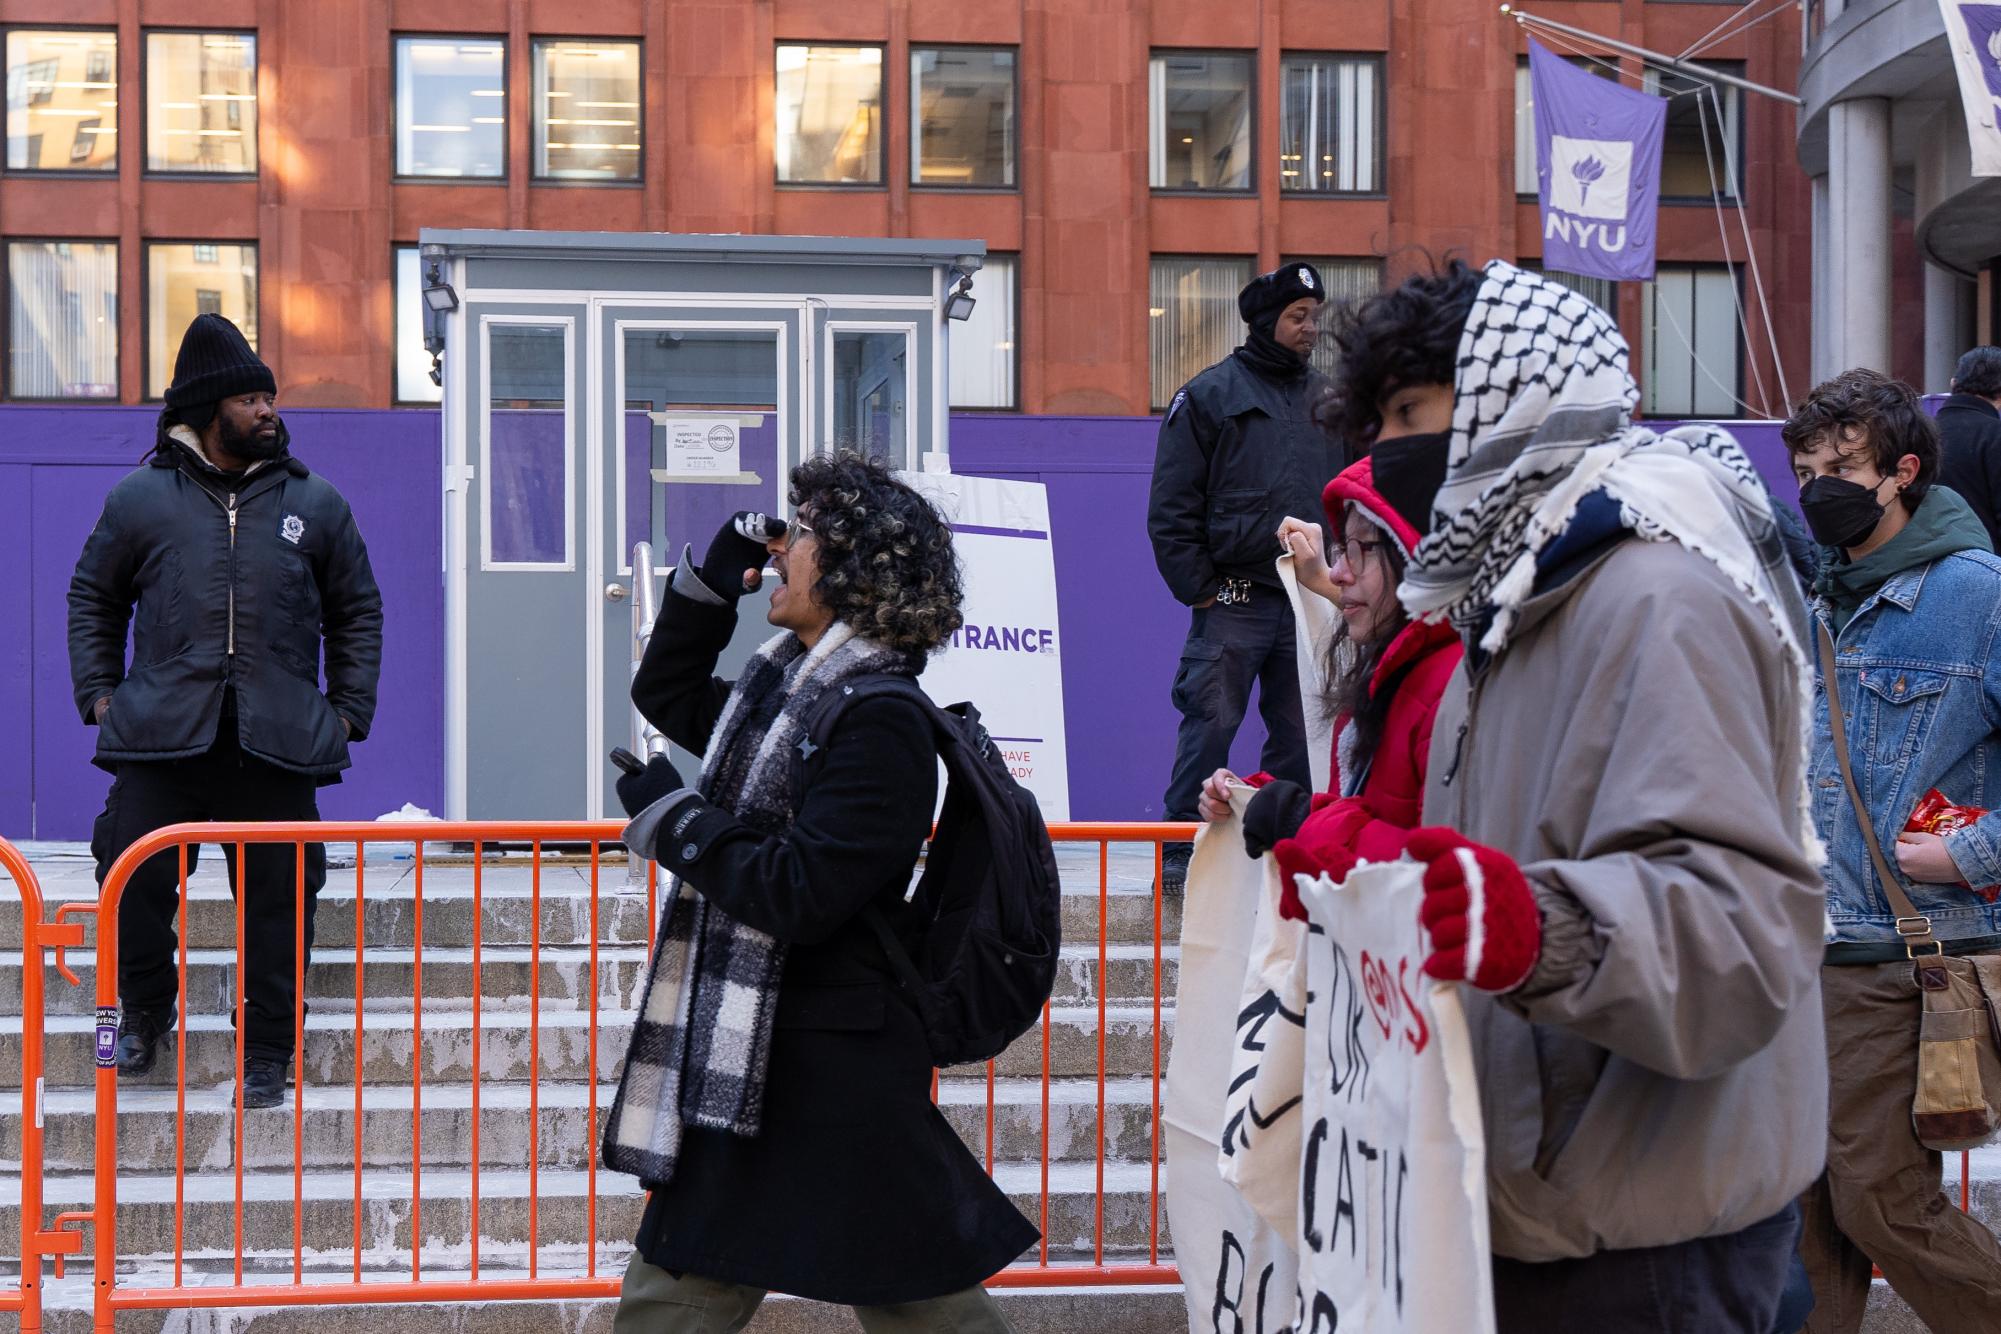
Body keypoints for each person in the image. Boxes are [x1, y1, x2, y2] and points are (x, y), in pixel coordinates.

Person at [1285, 259, 1828, 1332]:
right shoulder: (1515, 610)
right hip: (1547, 1212)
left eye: (1408, 413)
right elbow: (1491, 863)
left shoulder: (1655, 598)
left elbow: (1739, 927)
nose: (1390, 454)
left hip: (1648, 1245)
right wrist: (1380, 878)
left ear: (1508, 389)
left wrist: (1538, 930)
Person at [605, 452, 1036, 1333]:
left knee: (908, 1291)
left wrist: (677, 825)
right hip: (767, 1045)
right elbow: (668, 692)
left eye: (800, 534)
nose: (782, 546)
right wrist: (709, 587)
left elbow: (803, 893)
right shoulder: (782, 701)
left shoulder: (879, 720)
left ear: (847, 571)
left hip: (827, 1060)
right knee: (883, 1285)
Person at [68, 313, 383, 1109]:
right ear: (210, 414)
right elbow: (92, 598)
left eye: (269, 397)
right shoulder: (140, 497)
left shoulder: (318, 503)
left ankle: (268, 1051)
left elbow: (358, 612)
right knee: (131, 882)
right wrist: (100, 696)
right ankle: (142, 1015)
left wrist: (346, 710)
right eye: (250, 399)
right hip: (160, 738)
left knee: (278, 903)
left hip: (276, 744)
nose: (269, 411)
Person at [1782, 369, 2001, 1334]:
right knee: (1804, 1205)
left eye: (1842, 466)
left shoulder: (1974, 595)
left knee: (1874, 1195)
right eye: (1804, 469)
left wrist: (1978, 854)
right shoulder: (1814, 596)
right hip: (1804, 944)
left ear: (1902, 472)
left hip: (1900, 953)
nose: (1818, 485)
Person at [1148, 263, 1344, 890]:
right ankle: (1181, 853)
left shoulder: (1331, 404)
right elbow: (1171, 505)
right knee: (1210, 723)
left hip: (1307, 597)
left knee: (1300, 732)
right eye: (1297, 317)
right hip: (1232, 597)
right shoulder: (1209, 396)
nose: (1311, 328)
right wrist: (1200, 587)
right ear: (1265, 321)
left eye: (1315, 316)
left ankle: (1279, 850)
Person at [1194, 451, 1461, 912]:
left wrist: (1297, 821)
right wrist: (1253, 799)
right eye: (1342, 550)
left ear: (1413, 551)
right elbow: (1362, 812)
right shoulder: (1386, 679)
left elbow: (1438, 876)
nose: (1338, 572)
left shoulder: (1447, 688)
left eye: (1359, 550)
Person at [1936, 345, 2001, 550]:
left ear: (1953, 383)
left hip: (1920, 570)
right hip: (1986, 568)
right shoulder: (1995, 434)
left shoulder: (1916, 433)